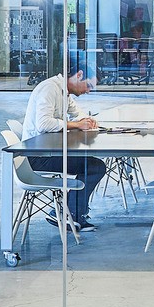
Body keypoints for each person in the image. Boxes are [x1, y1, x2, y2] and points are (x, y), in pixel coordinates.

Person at [20, 65, 110, 233]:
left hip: (48, 151)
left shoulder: (64, 92)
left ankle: (68, 212)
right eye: (88, 86)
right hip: (37, 156)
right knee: (95, 167)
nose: (88, 91)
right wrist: (77, 124)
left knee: (92, 165)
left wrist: (87, 121)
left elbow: (78, 114)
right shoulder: (50, 89)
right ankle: (69, 213)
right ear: (79, 75)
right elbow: (43, 124)